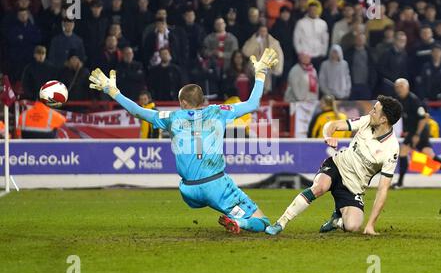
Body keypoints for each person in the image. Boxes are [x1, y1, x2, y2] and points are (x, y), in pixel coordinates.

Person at [88, 48, 279, 234]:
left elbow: (137, 111)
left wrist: (112, 91)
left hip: (188, 191)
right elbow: (253, 103)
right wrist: (260, 72)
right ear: (202, 101)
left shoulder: (172, 117)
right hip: (216, 187)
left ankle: (235, 216)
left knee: (213, 197)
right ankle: (238, 220)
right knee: (262, 222)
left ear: (184, 103)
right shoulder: (218, 111)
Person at [266, 95, 403, 236]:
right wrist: (328, 136)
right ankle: (281, 222)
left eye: (374, 110)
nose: (370, 112)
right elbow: (333, 125)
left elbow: (383, 190)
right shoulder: (366, 121)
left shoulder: (391, 149)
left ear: (383, 119)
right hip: (337, 166)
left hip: (354, 187)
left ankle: (336, 220)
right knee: (319, 187)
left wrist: (370, 225)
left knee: (353, 226)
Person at [392, 78, 441, 189]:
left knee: (403, 152)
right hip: (413, 131)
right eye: (397, 87)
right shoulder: (399, 100)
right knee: (431, 156)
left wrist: (417, 135)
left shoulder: (413, 100)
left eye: (401, 87)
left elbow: (423, 118)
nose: (399, 89)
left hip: (419, 131)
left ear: (407, 87)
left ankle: (400, 183)